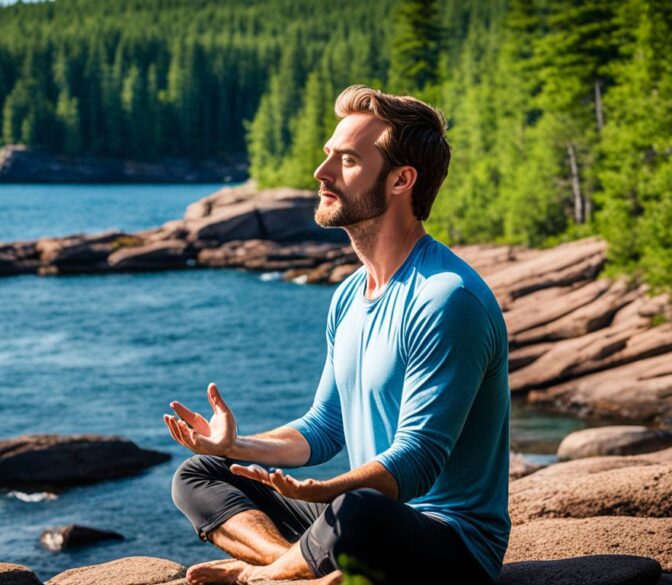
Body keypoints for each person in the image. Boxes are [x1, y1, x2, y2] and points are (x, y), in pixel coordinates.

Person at [163, 85, 510, 585]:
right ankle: (294, 569)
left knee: (357, 510)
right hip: (350, 523)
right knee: (201, 473)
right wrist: (237, 445)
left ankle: (260, 578)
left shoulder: (446, 297)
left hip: (449, 543)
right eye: (328, 155)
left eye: (346, 161)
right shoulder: (350, 294)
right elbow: (325, 429)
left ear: (400, 181)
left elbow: (418, 462)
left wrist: (323, 492)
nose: (321, 174)